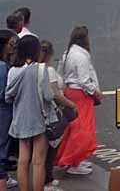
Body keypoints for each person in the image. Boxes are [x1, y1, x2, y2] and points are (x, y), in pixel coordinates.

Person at [5, 35, 54, 191]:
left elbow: (9, 97)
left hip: (20, 119)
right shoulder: (40, 69)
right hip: (39, 119)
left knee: (22, 160)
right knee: (38, 161)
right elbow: (48, 96)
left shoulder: (13, 70)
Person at [55, 26, 102, 176]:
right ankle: (74, 161)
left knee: (73, 128)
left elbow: (60, 75)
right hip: (80, 94)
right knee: (83, 129)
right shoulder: (81, 56)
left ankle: (73, 159)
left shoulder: (67, 53)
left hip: (70, 92)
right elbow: (84, 79)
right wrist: (94, 91)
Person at [39, 41, 77, 191]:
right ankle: (47, 182)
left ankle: (48, 178)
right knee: (50, 149)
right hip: (51, 115)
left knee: (45, 151)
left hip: (41, 114)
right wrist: (70, 104)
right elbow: (55, 94)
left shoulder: (35, 69)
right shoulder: (49, 71)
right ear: (50, 54)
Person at [0, 30, 18, 191]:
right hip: (3, 114)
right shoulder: (2, 67)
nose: (13, 46)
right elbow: (5, 94)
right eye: (11, 44)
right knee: (2, 147)